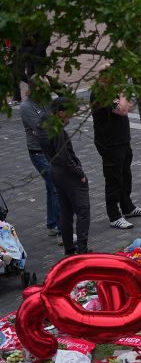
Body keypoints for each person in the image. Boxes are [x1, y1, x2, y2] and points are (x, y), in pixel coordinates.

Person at [37, 97, 90, 255]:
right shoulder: (57, 130)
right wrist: (80, 174)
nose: (71, 116)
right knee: (83, 211)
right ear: (60, 112)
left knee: (66, 212)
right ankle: (82, 250)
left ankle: (69, 249)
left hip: (56, 172)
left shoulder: (43, 127)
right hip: (68, 174)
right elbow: (64, 157)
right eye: (68, 113)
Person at [91, 92, 141, 229]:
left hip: (122, 140)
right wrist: (123, 94)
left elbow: (130, 107)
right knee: (113, 179)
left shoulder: (115, 92)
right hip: (110, 143)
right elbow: (122, 110)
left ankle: (128, 207)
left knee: (125, 175)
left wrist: (124, 98)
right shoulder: (101, 94)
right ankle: (114, 216)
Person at [20, 89, 61, 243]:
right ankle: (59, 228)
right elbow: (40, 128)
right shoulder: (26, 107)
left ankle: (52, 224)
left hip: (49, 148)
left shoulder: (44, 101)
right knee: (55, 185)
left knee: (52, 187)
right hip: (38, 152)